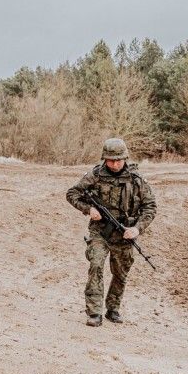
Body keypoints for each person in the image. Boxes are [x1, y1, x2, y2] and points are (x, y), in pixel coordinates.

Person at [66, 138, 157, 326]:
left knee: (121, 273)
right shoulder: (95, 175)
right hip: (100, 232)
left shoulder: (136, 180)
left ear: (125, 158)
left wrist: (136, 229)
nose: (115, 164)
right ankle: (94, 312)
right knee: (96, 265)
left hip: (124, 234)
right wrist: (88, 209)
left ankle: (113, 309)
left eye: (118, 160)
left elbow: (150, 207)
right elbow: (72, 193)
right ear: (104, 159)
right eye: (110, 160)